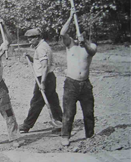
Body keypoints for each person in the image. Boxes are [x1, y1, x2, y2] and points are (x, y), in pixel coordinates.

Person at [59, 9, 97, 146]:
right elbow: (62, 33)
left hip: (85, 84)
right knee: (69, 112)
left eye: (83, 33)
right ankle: (65, 136)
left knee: (88, 112)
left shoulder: (90, 46)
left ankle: (90, 135)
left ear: (86, 35)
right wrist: (70, 16)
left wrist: (85, 42)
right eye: (79, 33)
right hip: (71, 83)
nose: (80, 35)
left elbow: (91, 51)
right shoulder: (71, 45)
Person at [19, 28, 63, 134]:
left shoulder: (41, 49)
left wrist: (42, 83)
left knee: (36, 102)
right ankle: (61, 123)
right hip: (49, 77)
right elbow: (40, 62)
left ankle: (26, 125)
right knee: (53, 102)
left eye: (31, 39)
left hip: (44, 78)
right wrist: (30, 58)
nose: (29, 41)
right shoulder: (43, 46)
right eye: (28, 39)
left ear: (37, 38)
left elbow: (44, 66)